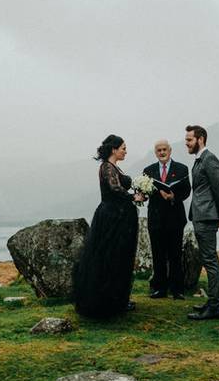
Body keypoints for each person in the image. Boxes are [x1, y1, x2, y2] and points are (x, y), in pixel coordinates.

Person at [72, 134, 145, 318]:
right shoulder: (107, 167)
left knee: (119, 259)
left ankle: (117, 299)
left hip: (118, 216)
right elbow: (115, 189)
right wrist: (133, 197)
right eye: (123, 148)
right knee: (108, 258)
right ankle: (105, 302)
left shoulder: (114, 167)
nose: (125, 151)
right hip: (111, 218)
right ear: (114, 149)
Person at [184, 124, 219, 320]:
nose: (187, 143)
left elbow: (218, 189)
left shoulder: (209, 159)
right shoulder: (199, 160)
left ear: (200, 139)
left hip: (207, 216)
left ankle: (215, 306)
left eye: (189, 140)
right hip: (201, 216)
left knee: (210, 260)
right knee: (208, 259)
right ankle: (212, 302)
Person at [142, 139, 191, 300]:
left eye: (164, 149)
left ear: (170, 151)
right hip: (156, 219)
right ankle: (159, 289)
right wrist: (153, 193)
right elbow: (145, 192)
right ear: (155, 153)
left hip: (175, 218)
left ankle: (177, 289)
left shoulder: (182, 169)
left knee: (175, 255)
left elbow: (186, 190)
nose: (162, 153)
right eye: (159, 150)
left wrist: (173, 196)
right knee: (158, 255)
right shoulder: (148, 171)